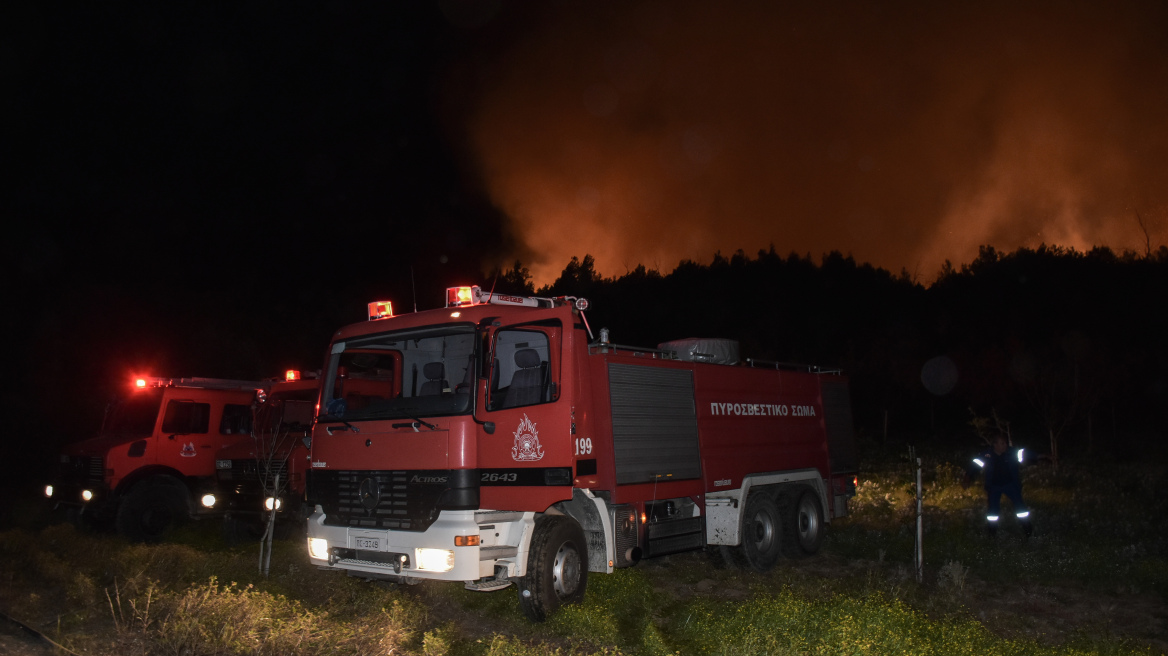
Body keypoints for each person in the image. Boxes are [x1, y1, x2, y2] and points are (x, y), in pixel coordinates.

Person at [964, 434, 1032, 537]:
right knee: (993, 512)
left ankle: (1027, 529)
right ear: (995, 445)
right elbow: (975, 465)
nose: (1005, 445)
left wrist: (1041, 456)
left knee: (1020, 507)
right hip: (994, 487)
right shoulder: (987, 455)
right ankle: (992, 532)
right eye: (1002, 443)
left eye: (1005, 443)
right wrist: (967, 477)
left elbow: (1026, 453)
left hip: (1010, 485)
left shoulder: (1011, 452)